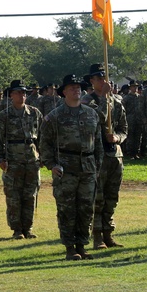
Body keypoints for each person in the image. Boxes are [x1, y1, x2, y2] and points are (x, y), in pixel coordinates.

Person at [39, 74, 102, 260]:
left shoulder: (91, 113)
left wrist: (98, 165)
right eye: (72, 87)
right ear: (64, 91)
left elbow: (97, 143)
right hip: (65, 167)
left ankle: (82, 245)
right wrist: (51, 165)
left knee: (85, 208)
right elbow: (45, 144)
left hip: (88, 167)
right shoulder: (54, 117)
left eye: (78, 87)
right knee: (67, 209)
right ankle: (69, 248)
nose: (76, 90)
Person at [0, 79, 43, 239]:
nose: (22, 95)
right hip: (12, 159)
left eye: (24, 92)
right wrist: (0, 159)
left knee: (31, 194)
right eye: (18, 92)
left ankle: (28, 228)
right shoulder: (4, 116)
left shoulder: (34, 113)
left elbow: (42, 137)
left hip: (31, 159)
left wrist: (43, 157)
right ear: (11, 95)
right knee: (13, 195)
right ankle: (17, 230)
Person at [88, 63, 129, 248]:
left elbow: (124, 129)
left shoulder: (117, 103)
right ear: (92, 81)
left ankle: (108, 233)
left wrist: (118, 138)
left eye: (104, 77)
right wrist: (104, 98)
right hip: (97, 155)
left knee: (112, 197)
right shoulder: (87, 101)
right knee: (98, 197)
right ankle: (96, 235)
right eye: (98, 78)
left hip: (114, 155)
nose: (103, 81)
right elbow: (96, 120)